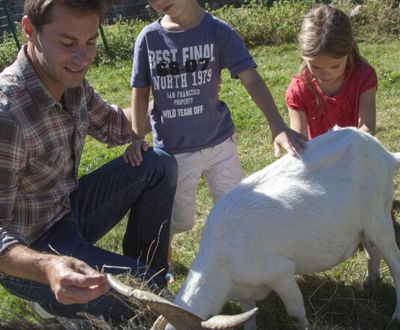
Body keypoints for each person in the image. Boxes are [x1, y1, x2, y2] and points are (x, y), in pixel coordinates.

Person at [0, 0, 177, 324]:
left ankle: (149, 279)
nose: (83, 58)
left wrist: (179, 99)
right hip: (28, 248)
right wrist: (48, 268)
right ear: (30, 30)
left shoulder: (68, 83)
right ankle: (65, 296)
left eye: (90, 42)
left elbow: (116, 127)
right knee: (147, 298)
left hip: (63, 210)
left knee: (158, 164)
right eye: (68, 43)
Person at [124, 0, 307, 282]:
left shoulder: (218, 31)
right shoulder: (148, 38)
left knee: (237, 208)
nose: (158, 1)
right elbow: (140, 90)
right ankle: (163, 264)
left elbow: (252, 80)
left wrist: (277, 125)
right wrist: (137, 137)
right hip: (173, 152)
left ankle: (248, 263)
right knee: (175, 217)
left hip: (220, 144)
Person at [285, 4, 377, 139]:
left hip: (355, 153)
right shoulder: (298, 90)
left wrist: (340, 150)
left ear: (349, 50)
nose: (325, 74)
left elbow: (368, 127)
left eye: (334, 66)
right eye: (315, 66)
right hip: (318, 158)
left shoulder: (363, 76)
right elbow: (300, 141)